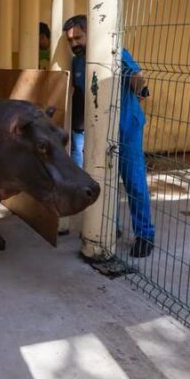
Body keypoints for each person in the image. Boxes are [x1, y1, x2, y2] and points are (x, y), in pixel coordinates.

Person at [63, 15, 155, 257]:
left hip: (127, 127)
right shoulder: (78, 63)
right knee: (102, 180)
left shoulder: (117, 53)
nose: (74, 44)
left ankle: (145, 235)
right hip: (99, 129)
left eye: (78, 37)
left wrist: (138, 84)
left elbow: (139, 82)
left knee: (133, 181)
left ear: (90, 33)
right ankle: (109, 227)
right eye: (70, 40)